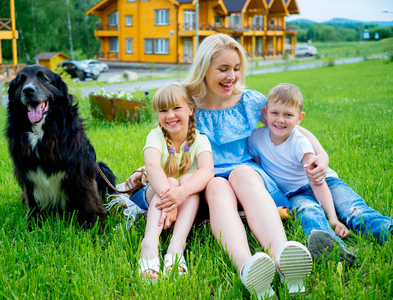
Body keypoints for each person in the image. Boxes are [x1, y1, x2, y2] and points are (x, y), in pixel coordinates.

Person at [127, 34, 328, 298]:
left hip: (247, 180)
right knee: (218, 184)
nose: (231, 76)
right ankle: (248, 267)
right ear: (204, 69)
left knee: (242, 172)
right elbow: (166, 141)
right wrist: (142, 171)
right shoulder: (187, 103)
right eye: (223, 69)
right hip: (204, 182)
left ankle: (283, 258)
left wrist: (320, 155)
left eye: (236, 68)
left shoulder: (250, 102)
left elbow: (293, 128)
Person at [247, 83, 392, 267]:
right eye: (275, 113)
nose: (280, 120)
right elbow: (259, 165)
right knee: (308, 212)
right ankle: (331, 248)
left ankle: (388, 230)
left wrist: (332, 217)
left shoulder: (299, 142)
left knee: (353, 209)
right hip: (295, 193)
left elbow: (317, 180)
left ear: (299, 118)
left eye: (288, 115)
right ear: (265, 113)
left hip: (326, 183)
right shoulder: (256, 138)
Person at [133, 83, 214, 281]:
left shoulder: (200, 140)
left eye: (176, 108)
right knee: (169, 180)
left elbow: (206, 170)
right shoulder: (156, 136)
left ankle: (176, 247)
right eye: (163, 110)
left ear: (190, 109)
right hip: (153, 195)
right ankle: (149, 244)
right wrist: (170, 198)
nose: (170, 115)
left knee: (188, 180)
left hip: (186, 200)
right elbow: (152, 167)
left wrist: (182, 193)